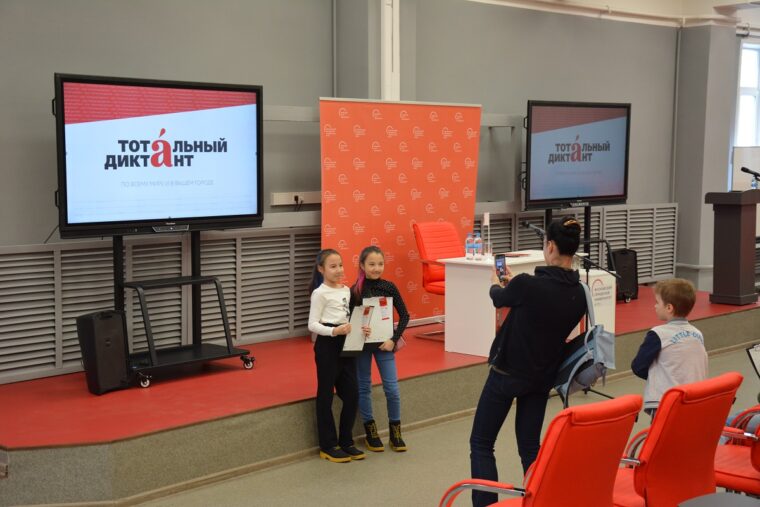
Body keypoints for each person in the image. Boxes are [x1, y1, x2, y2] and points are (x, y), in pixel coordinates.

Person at [469, 217, 587, 507]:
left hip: (507, 373)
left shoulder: (526, 285)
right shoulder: (579, 293)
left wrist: (496, 284)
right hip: (542, 377)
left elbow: (500, 297)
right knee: (530, 447)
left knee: (482, 443)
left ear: (550, 246)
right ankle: (540, 501)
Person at [350, 245, 410, 452]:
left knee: (392, 389)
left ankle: (395, 433)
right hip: (362, 346)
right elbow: (351, 320)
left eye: (380, 264)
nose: (376, 268)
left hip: (385, 345)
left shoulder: (389, 287)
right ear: (362, 265)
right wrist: (360, 328)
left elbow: (405, 315)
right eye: (371, 264)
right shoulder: (355, 290)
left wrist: (394, 339)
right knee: (364, 387)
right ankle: (371, 432)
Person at [308, 249, 365, 463]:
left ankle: (346, 441)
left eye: (340, 265)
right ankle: (328, 445)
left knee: (352, 394)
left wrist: (360, 328)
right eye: (333, 266)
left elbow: (348, 317)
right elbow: (312, 324)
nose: (339, 270)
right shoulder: (319, 293)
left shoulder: (346, 290)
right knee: (325, 395)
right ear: (321, 269)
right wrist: (333, 331)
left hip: (346, 344)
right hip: (328, 345)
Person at [631, 278, 707, 420]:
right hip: (694, 399)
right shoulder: (697, 333)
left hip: (666, 402)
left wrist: (661, 376)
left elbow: (638, 366)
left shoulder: (658, 334)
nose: (654, 306)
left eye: (657, 302)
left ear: (669, 308)